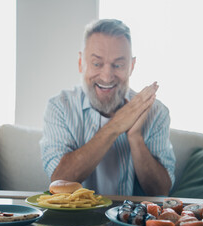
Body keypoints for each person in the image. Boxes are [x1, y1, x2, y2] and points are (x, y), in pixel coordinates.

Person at [40, 19, 176, 196]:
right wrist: (116, 125)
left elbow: (161, 191)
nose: (107, 76)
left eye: (118, 65)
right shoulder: (59, 107)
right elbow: (59, 181)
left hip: (131, 222)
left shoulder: (157, 111)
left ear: (132, 66)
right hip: (74, 222)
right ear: (81, 63)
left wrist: (135, 137)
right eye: (97, 63)